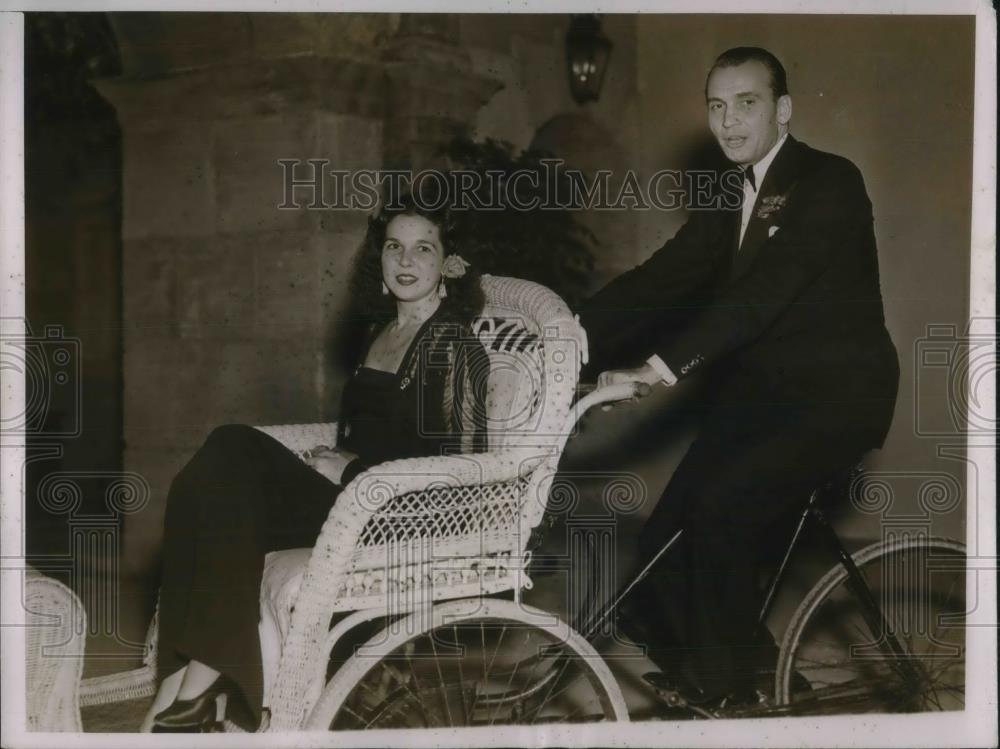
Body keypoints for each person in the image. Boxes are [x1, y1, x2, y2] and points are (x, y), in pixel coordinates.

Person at [578, 47, 899, 706]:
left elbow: (759, 298)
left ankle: (728, 700)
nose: (728, 122)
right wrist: (566, 332)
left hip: (833, 401)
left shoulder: (829, 181)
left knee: (721, 514)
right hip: (763, 400)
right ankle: (740, 664)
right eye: (717, 106)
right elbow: (661, 280)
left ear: (782, 110)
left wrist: (656, 369)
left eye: (745, 103)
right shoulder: (731, 193)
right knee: (664, 542)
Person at [145, 195, 490, 732]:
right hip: (349, 498)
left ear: (449, 264)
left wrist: (350, 472)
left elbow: (464, 473)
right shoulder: (383, 333)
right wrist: (334, 461)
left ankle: (198, 683)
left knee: (233, 446)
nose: (405, 260)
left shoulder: (455, 345)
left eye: (423, 248)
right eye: (394, 246)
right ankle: (184, 681)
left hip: (398, 516)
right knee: (214, 471)